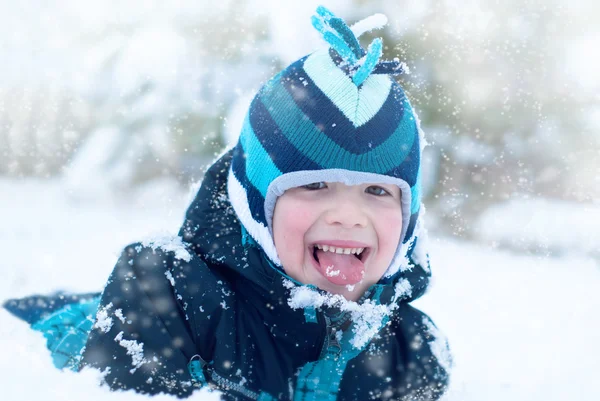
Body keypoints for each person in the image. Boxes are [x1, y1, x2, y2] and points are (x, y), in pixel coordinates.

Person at [4, 6, 451, 401]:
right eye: (314, 186)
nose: (348, 215)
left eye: (377, 191)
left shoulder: (411, 355)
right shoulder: (170, 294)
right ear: (257, 204)